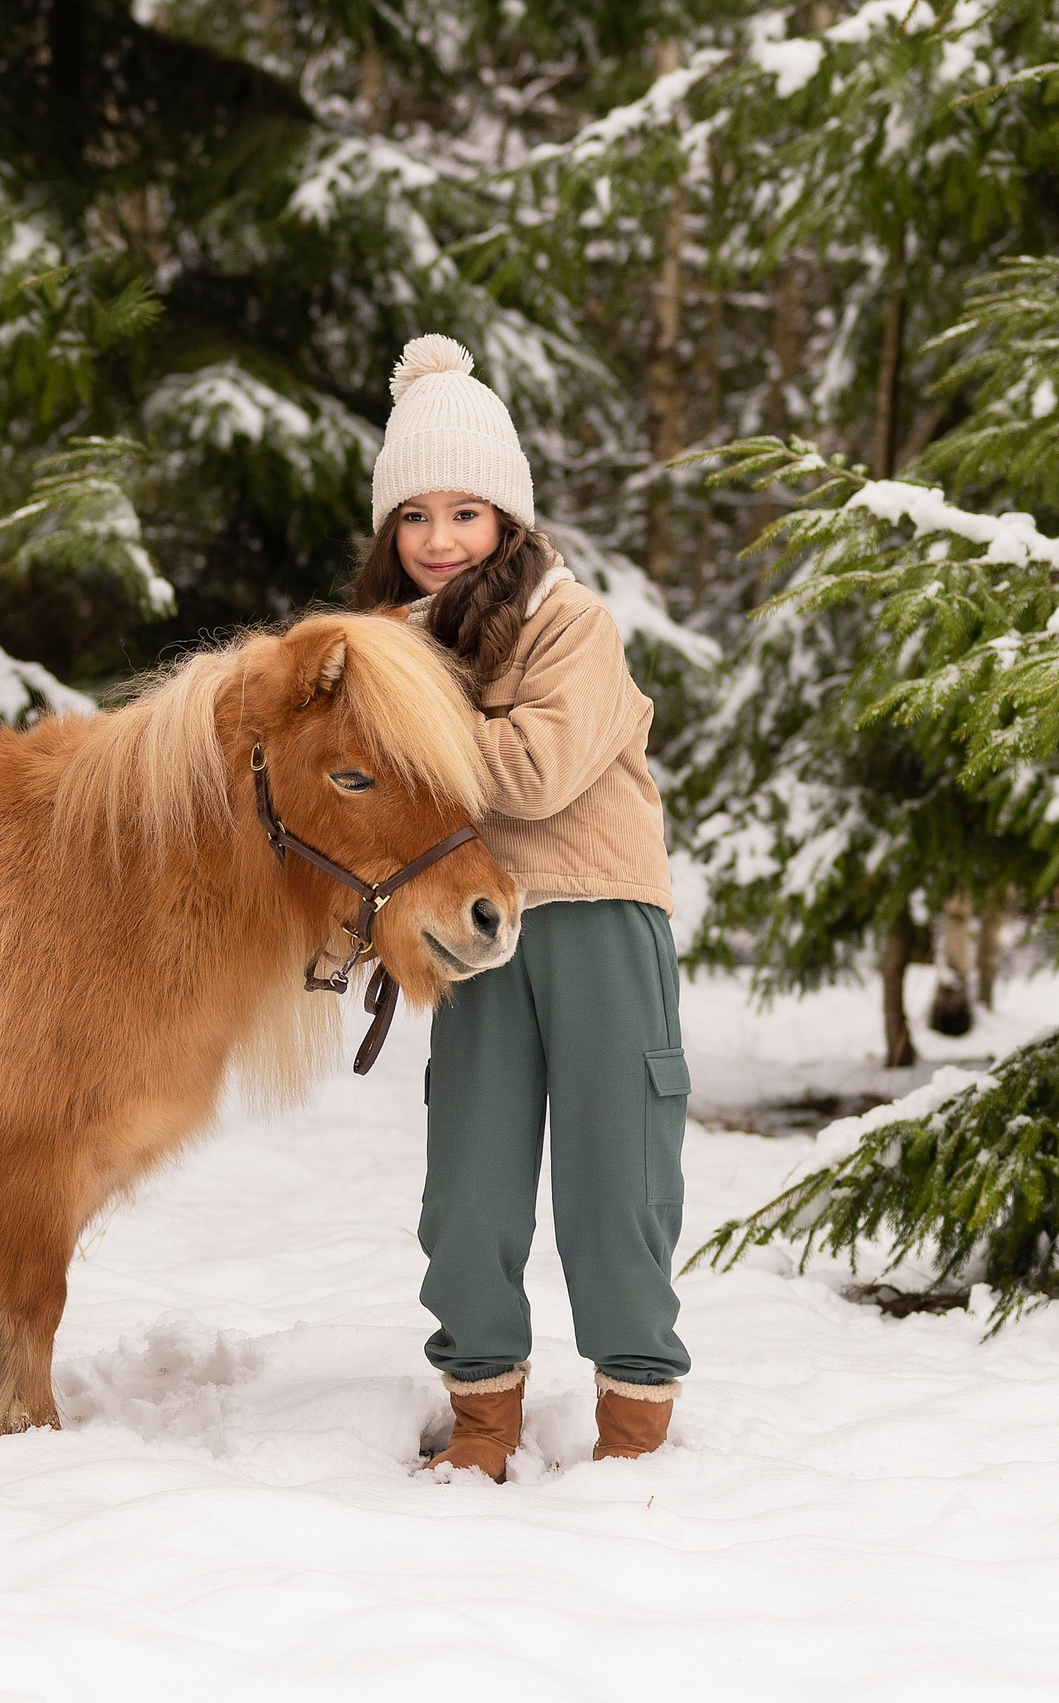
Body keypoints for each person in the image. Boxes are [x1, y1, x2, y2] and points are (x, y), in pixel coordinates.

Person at [350, 334, 690, 1481]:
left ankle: (633, 1428)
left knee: (615, 1180)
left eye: (464, 513)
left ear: (506, 518)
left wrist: (399, 736)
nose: (438, 539)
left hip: (595, 911)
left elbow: (537, 773)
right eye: (413, 517)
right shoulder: (390, 645)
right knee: (470, 1189)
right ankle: (482, 1420)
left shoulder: (566, 621)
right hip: (471, 926)